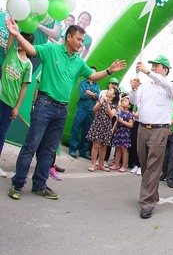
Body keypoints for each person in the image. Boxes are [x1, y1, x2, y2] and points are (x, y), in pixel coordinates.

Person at [6, 18, 125, 201]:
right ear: (68, 37)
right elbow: (31, 50)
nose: (80, 44)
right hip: (44, 105)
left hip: (61, 111)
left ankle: (39, 184)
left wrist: (109, 70)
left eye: (82, 41)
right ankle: (18, 183)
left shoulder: (78, 61)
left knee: (49, 149)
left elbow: (93, 75)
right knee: (31, 145)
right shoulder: (52, 49)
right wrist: (16, 35)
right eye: (78, 39)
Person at [129, 55, 173, 218]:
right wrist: (134, 89)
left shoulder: (171, 87)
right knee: (145, 165)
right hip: (142, 128)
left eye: (157, 66)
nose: (154, 68)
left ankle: (147, 203)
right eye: (153, 66)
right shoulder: (146, 86)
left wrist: (147, 71)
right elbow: (134, 100)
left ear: (165, 70)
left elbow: (164, 83)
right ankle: (152, 194)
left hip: (159, 131)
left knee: (153, 166)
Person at [0, 30, 34, 179]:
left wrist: (17, 107)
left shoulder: (28, 65)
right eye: (20, 39)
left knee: (1, 133)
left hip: (10, 104)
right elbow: (12, 35)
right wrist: (14, 23)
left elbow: (24, 88)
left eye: (25, 40)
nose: (21, 42)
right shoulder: (10, 52)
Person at [69, 68, 100, 159]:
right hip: (81, 110)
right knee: (76, 129)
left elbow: (98, 96)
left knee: (86, 132)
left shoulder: (96, 85)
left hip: (91, 111)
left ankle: (83, 151)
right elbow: (82, 95)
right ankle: (73, 149)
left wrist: (89, 93)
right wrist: (93, 95)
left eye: (94, 72)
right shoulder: (82, 83)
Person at [86, 87, 119, 172]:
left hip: (106, 126)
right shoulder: (102, 99)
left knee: (104, 147)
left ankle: (101, 165)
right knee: (95, 145)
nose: (109, 90)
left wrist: (107, 104)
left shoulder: (114, 105)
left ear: (114, 95)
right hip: (98, 124)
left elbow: (111, 115)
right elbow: (94, 110)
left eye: (111, 90)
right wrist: (100, 103)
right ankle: (93, 164)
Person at [111, 95, 134, 172]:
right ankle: (116, 164)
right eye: (123, 101)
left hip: (125, 133)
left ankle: (124, 166)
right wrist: (113, 129)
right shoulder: (120, 112)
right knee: (117, 148)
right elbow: (116, 121)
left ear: (129, 105)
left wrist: (122, 122)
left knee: (124, 150)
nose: (123, 102)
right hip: (118, 132)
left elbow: (131, 125)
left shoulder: (129, 114)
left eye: (126, 101)